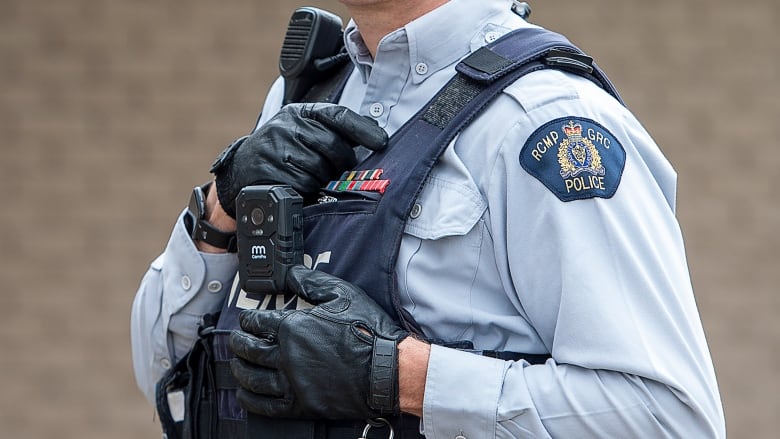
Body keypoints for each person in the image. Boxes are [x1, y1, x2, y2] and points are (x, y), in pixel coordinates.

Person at [131, 0, 726, 437]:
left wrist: (400, 377)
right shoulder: (305, 93)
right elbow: (161, 367)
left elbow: (668, 418)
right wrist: (223, 206)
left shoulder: (545, 120)